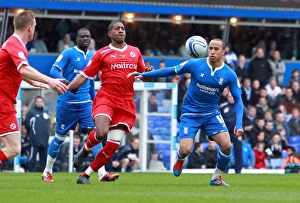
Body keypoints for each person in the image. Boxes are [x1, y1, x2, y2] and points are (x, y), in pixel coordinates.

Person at [128, 38, 244, 186]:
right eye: (210, 48)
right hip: (191, 113)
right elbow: (172, 70)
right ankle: (180, 158)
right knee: (186, 149)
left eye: (216, 49)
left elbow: (238, 100)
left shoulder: (229, 74)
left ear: (223, 52)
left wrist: (239, 124)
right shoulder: (195, 64)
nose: (212, 52)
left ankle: (216, 178)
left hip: (211, 114)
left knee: (227, 145)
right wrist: (145, 75)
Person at [67, 21, 152, 184]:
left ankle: (85, 175)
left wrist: (148, 72)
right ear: (110, 34)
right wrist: (68, 87)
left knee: (113, 144)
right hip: (106, 98)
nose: (121, 31)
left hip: (126, 102)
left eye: (123, 28)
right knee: (101, 133)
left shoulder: (135, 52)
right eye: (117, 29)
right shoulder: (102, 53)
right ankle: (86, 149)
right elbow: (85, 75)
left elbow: (142, 75)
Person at [42, 28, 118, 182]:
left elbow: (89, 81)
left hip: (86, 105)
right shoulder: (68, 53)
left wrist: (94, 100)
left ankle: (102, 172)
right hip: (66, 103)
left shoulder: (93, 56)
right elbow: (54, 70)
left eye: (88, 37)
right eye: (82, 37)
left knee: (96, 135)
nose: (85, 39)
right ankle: (47, 171)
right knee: (60, 137)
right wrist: (69, 83)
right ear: (76, 39)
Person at [0, 10, 67, 167]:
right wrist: (50, 81)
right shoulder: (16, 44)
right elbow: (23, 69)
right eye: (35, 26)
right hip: (2, 100)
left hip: (4, 99)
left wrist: (31, 82)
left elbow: (15, 70)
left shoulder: (12, 43)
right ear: (30, 28)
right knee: (13, 148)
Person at [24, 96, 50, 172]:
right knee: (32, 158)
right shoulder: (31, 113)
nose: (39, 103)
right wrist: (32, 135)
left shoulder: (46, 113)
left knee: (44, 158)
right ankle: (30, 171)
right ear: (35, 102)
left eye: (40, 101)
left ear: (43, 102)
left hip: (44, 140)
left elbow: (48, 125)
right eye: (37, 101)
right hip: (34, 140)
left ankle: (44, 173)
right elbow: (27, 125)